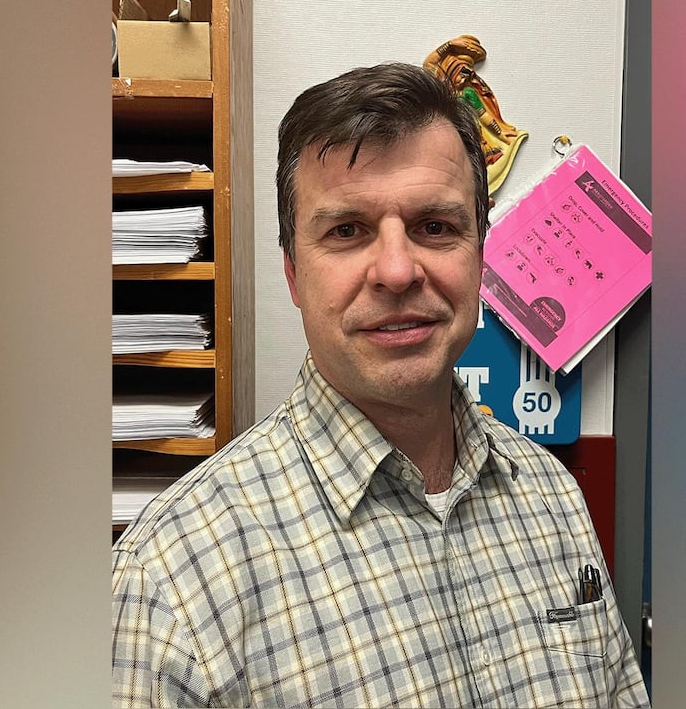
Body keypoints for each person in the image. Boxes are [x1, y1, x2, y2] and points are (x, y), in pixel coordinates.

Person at [112, 62, 650, 708]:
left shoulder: (552, 497)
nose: (397, 271)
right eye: (347, 231)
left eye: (435, 227)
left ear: (480, 253)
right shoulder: (171, 575)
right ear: (292, 274)